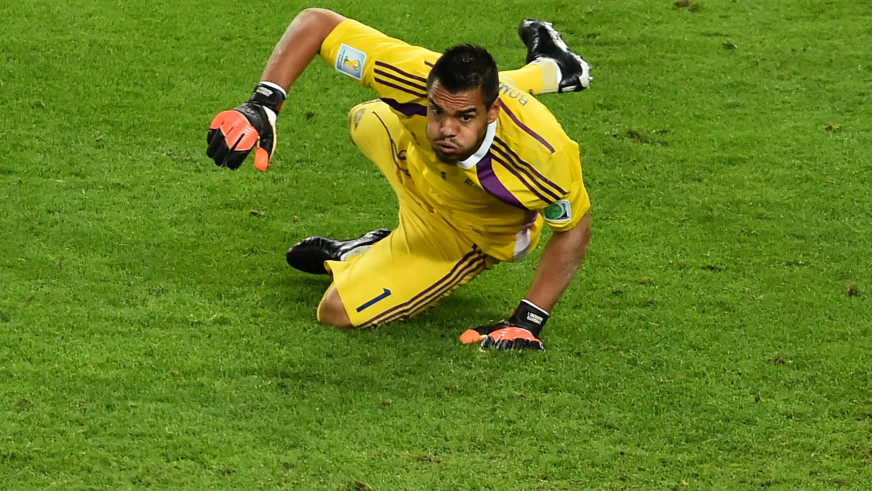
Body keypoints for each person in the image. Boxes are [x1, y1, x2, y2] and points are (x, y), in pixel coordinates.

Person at [207, 9, 593, 351]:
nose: (445, 129)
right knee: (366, 119)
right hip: (415, 165)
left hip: (461, 232)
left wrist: (528, 321)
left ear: (492, 113)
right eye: (436, 110)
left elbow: (574, 229)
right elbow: (317, 24)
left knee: (336, 310)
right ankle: (555, 68)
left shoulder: (541, 156)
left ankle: (363, 252)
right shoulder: (412, 75)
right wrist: (263, 105)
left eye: (464, 118)